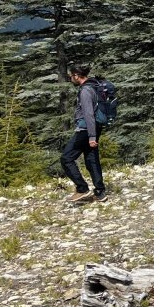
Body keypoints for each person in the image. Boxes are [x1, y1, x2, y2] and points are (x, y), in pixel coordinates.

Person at [61, 63, 107, 204]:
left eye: (71, 76)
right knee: (91, 158)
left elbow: (88, 114)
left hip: (86, 129)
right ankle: (100, 192)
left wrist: (91, 136)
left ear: (77, 76)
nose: (71, 79)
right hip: (94, 127)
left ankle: (82, 188)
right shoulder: (93, 86)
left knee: (66, 158)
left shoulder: (86, 90)